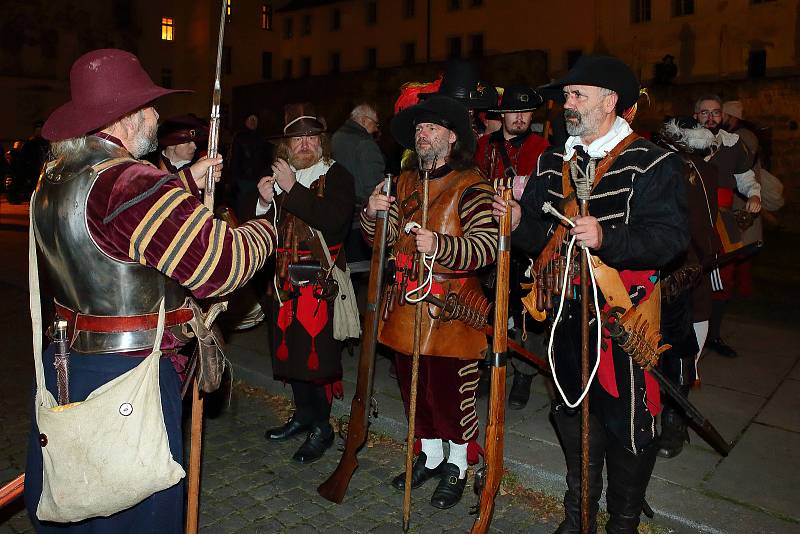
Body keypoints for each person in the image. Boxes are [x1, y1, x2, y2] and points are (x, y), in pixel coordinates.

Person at [27, 48, 277, 533]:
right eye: (149, 107)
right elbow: (219, 265)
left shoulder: (55, 176)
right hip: (129, 374)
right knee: (133, 507)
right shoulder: (128, 181)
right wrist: (264, 228)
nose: (158, 117)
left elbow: (111, 228)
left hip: (69, 362)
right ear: (124, 116)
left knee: (77, 492)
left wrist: (182, 180)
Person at [495, 56, 688, 532]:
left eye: (578, 94)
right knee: (571, 413)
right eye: (566, 96)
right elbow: (545, 237)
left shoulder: (652, 162)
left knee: (626, 423)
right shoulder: (552, 161)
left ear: (610, 101)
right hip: (565, 310)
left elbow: (670, 240)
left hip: (623, 317)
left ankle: (622, 523)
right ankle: (578, 512)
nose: (567, 104)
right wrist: (520, 222)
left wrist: (608, 239)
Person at [362, 95, 497, 509]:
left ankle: (458, 465)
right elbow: (380, 243)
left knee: (451, 395)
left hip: (452, 311)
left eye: (432, 127)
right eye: (419, 128)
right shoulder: (401, 182)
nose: (422, 133)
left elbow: (488, 246)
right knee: (414, 391)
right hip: (404, 307)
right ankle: (431, 455)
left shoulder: (472, 184)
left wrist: (440, 244)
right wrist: (372, 214)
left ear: (452, 137)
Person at [257, 103, 355, 464]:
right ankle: (302, 416)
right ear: (286, 145)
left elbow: (334, 221)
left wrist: (292, 189)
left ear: (322, 142)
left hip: (320, 287)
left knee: (318, 360)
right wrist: (264, 201)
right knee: (289, 356)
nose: (304, 144)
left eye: (311, 138)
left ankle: (323, 427)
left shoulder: (338, 176)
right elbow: (262, 231)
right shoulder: (279, 176)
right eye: (297, 139)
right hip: (283, 285)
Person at [474, 85, 549, 409]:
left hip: (524, 243)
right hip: (488, 239)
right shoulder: (483, 147)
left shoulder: (544, 149)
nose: (519, 117)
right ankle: (488, 366)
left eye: (525, 112)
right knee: (486, 306)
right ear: (502, 115)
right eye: (513, 112)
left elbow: (546, 197)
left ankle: (522, 373)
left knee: (525, 315)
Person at [653, 117, 720, 458]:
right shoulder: (655, 165)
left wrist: (700, 262)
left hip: (685, 274)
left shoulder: (699, 172)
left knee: (684, 348)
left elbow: (703, 231)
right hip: (649, 271)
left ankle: (675, 419)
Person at [694, 95, 761, 358]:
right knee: (687, 274)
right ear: (696, 115)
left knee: (724, 276)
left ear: (722, 116)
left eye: (716, 113)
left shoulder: (734, 145)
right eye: (704, 112)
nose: (710, 118)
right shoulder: (681, 142)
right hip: (690, 215)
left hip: (722, 217)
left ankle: (714, 335)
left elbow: (745, 178)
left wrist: (754, 194)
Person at [331, 102, 386, 263]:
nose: (376, 129)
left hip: (338, 217)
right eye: (375, 123)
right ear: (363, 121)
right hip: (359, 221)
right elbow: (374, 187)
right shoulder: (366, 144)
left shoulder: (335, 138)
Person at [229, 114, 273, 219]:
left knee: (256, 206)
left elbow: (267, 159)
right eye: (250, 119)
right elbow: (235, 159)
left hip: (258, 179)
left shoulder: (262, 137)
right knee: (242, 206)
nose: (253, 122)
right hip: (243, 179)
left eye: (255, 119)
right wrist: (233, 180)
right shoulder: (239, 137)